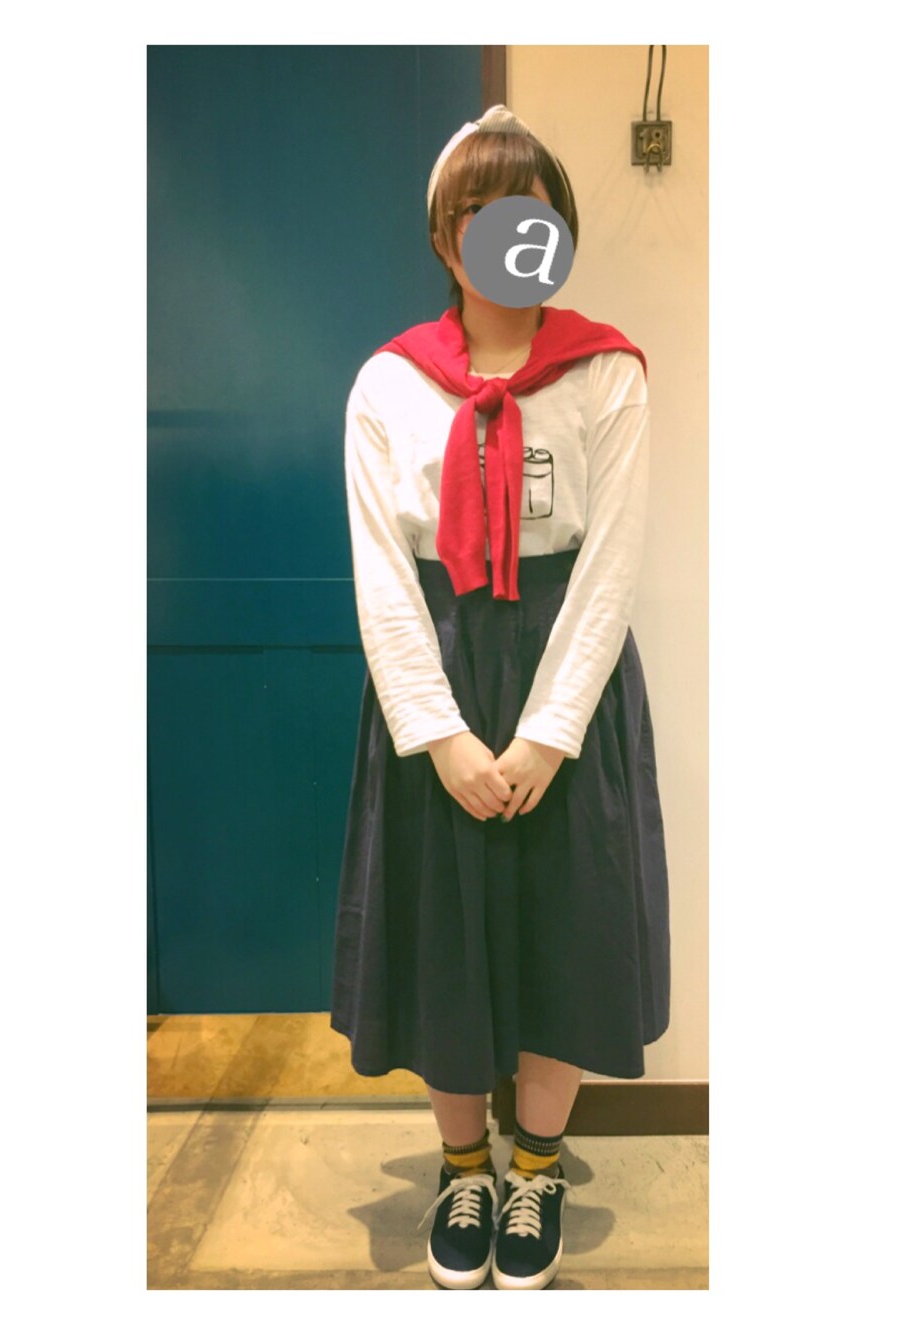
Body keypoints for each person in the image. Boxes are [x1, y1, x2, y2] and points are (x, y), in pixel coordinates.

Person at [330, 105, 671, 1291]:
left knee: (563, 928)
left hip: (565, 680)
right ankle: (462, 1165)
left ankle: (536, 1168)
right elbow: (382, 572)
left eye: (529, 211)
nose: (507, 234)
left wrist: (544, 734)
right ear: (445, 234)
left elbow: (612, 562)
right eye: (481, 212)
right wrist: (439, 736)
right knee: (443, 931)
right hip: (435, 674)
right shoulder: (386, 384)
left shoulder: (607, 373)